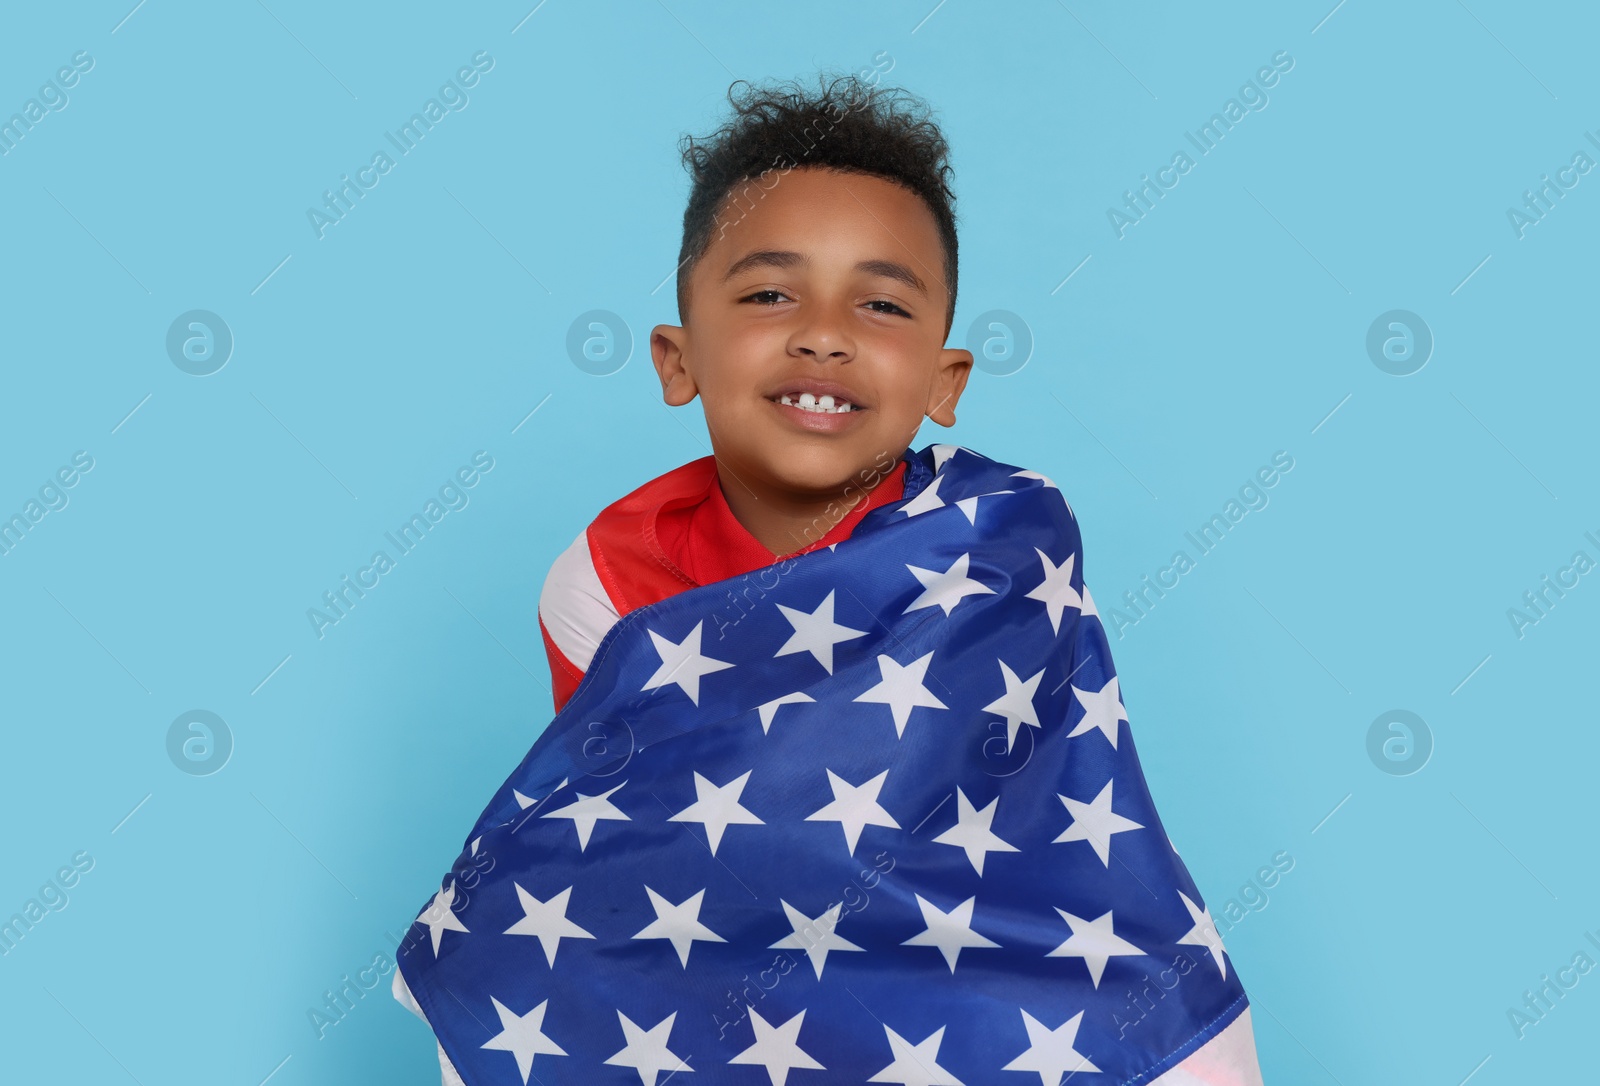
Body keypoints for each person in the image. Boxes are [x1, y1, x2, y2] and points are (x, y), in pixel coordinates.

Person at [394, 72, 1265, 1085]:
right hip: (718, 962)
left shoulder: (1003, 539)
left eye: (882, 304)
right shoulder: (605, 574)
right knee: (508, 952)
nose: (824, 331)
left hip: (991, 952)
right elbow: (633, 857)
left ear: (945, 384)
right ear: (678, 361)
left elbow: (1032, 819)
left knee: (1148, 1017)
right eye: (769, 293)